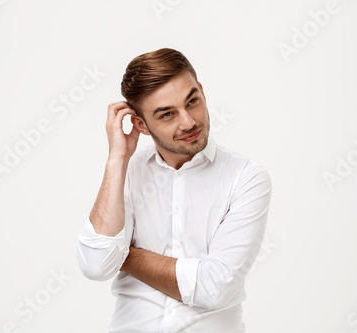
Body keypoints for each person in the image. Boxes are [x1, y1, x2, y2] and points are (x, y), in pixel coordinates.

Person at [76, 48, 272, 333]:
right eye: (167, 114)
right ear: (141, 124)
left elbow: (215, 286)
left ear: (202, 91)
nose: (189, 122)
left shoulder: (246, 178)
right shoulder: (127, 172)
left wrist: (124, 255)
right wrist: (117, 160)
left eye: (192, 101)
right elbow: (96, 265)